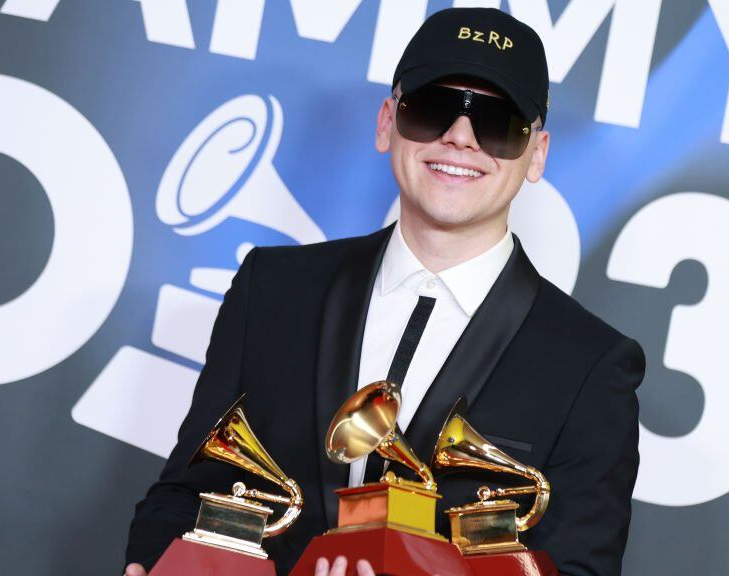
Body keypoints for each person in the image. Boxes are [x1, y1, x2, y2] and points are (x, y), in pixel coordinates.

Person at [124, 7, 644, 576]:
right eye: (433, 109)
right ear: (386, 122)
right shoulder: (270, 290)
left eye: (497, 122)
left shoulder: (591, 365)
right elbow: (183, 495)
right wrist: (149, 563)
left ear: (537, 154)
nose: (460, 137)